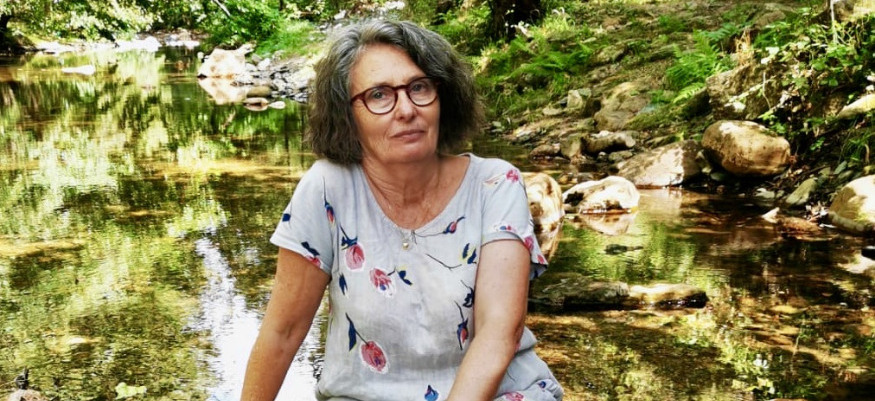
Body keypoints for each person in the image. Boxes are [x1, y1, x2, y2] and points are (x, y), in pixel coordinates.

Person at [241, 19, 564, 401]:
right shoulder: (328, 189)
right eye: (379, 95)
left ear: (444, 95)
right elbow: (282, 333)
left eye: (419, 87)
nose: (407, 109)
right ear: (347, 115)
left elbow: (498, 334)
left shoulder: (495, 184)